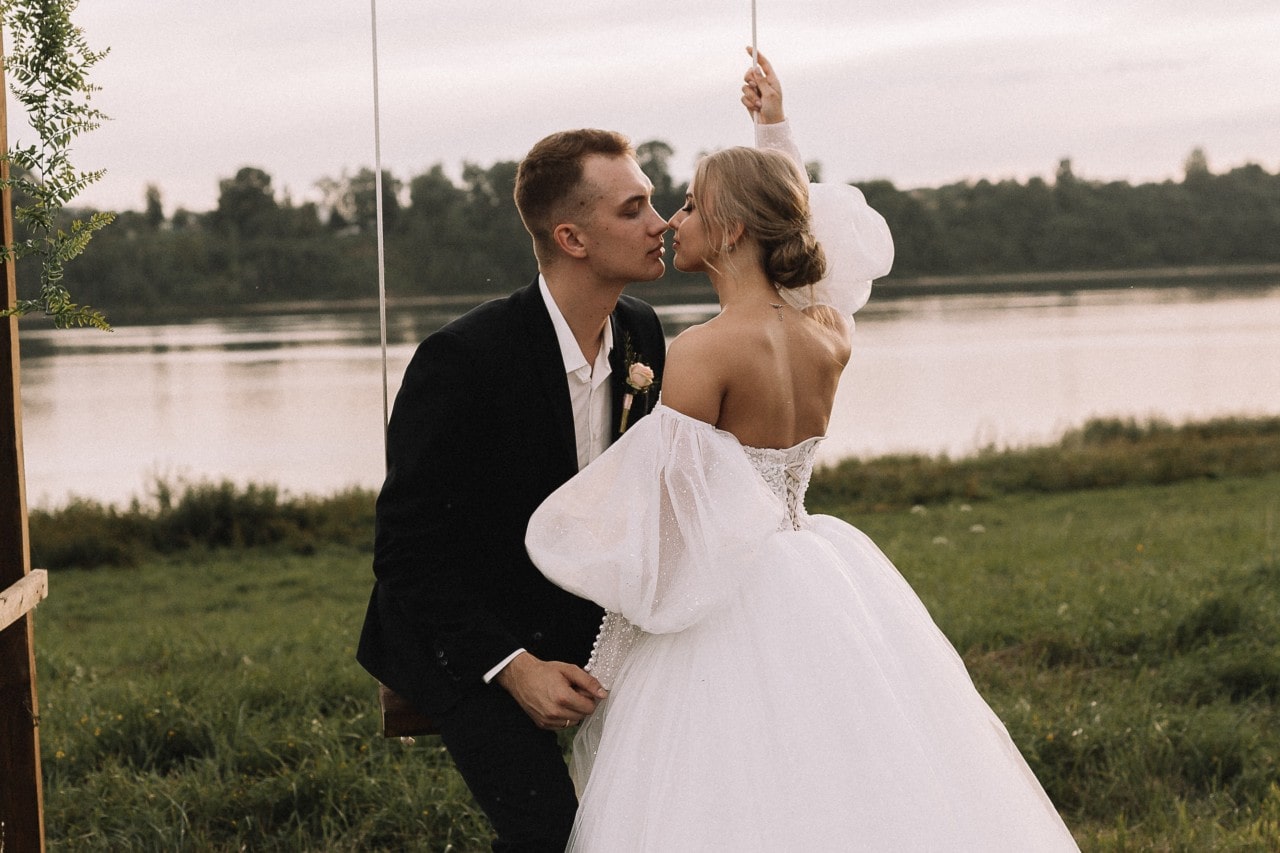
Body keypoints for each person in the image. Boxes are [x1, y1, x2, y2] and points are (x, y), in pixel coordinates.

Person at [526, 51, 1080, 851]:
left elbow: (671, 520)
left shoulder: (706, 351)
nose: (672, 221)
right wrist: (772, 130)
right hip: (817, 571)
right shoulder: (827, 329)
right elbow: (811, 233)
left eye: (689, 205)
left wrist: (612, 651)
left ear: (732, 228)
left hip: (731, 595)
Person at [356, 125, 668, 851]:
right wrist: (513, 667)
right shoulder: (462, 360)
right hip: (463, 636)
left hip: (578, 620)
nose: (661, 224)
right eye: (634, 208)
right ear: (572, 237)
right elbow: (406, 553)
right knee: (553, 836)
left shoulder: (643, 335)